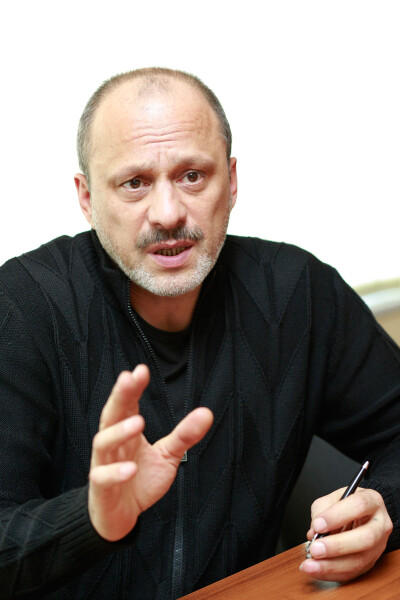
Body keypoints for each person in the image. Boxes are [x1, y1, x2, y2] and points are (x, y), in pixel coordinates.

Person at [0, 67, 399, 600]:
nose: (167, 214)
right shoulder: (23, 307)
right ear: (87, 197)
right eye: (135, 183)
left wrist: (385, 505)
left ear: (231, 181)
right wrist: (92, 519)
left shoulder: (298, 293)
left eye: (192, 176)